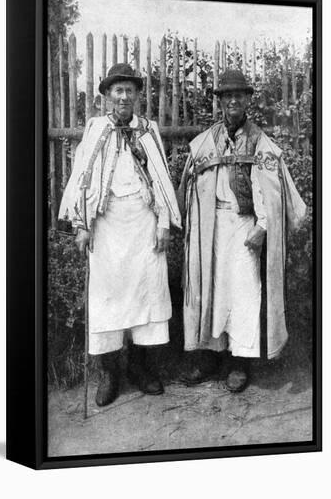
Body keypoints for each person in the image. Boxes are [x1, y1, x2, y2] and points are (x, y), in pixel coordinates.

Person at [59, 63, 181, 406]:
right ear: (108, 96)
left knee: (147, 296)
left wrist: (163, 223)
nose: (124, 96)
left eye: (130, 90)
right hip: (107, 224)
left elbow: (161, 179)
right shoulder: (96, 129)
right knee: (106, 300)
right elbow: (82, 177)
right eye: (118, 90)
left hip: (143, 223)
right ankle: (110, 374)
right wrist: (81, 224)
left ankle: (141, 370)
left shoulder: (148, 130)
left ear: (137, 96)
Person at [178, 69, 306, 393]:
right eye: (227, 95)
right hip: (212, 226)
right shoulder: (206, 142)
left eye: (239, 95)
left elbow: (272, 190)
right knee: (213, 291)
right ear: (220, 101)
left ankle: (240, 362)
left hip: (246, 225)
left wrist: (263, 226)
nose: (233, 100)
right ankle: (211, 357)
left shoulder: (260, 142)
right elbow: (189, 187)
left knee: (245, 294)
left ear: (248, 100)